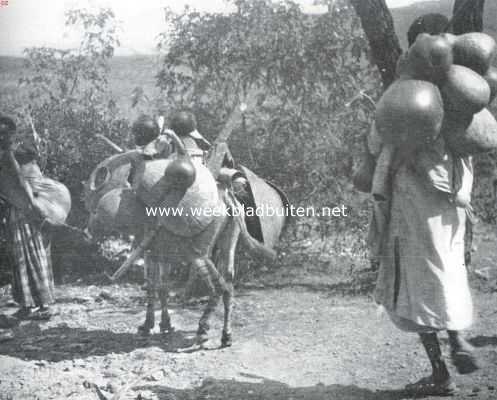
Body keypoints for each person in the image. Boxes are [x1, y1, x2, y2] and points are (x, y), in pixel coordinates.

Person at [371, 15, 478, 396]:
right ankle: (458, 338)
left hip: (413, 194)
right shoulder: (460, 94)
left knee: (414, 284)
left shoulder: (405, 90)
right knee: (448, 269)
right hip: (453, 195)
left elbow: (377, 141)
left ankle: (440, 370)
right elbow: (470, 147)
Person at [0, 116, 54, 320]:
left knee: (28, 254)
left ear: (11, 134)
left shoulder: (10, 156)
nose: (1, 137)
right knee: (27, 254)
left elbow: (22, 184)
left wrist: (32, 208)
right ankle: (30, 303)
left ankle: (41, 304)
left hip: (24, 210)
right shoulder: (9, 154)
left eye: (4, 133)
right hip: (20, 209)